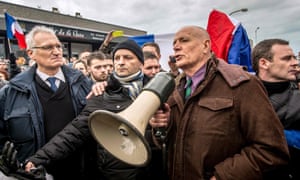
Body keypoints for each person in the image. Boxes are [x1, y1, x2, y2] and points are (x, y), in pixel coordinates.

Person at [149, 26, 290, 180]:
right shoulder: (173, 89)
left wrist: (222, 176)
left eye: (184, 40)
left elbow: (271, 150)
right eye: (174, 43)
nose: (176, 46)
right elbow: (166, 144)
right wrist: (162, 127)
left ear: (205, 46)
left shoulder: (242, 83)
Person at [24, 39, 155, 180]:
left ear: (141, 62)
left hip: (150, 169)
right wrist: (38, 159)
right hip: (113, 173)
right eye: (117, 58)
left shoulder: (157, 91)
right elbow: (74, 132)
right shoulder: (101, 94)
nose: (121, 62)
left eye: (128, 57)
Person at [0, 25, 93, 179]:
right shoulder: (10, 93)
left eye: (58, 46)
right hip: (35, 173)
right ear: (31, 53)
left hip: (81, 170)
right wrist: (9, 163)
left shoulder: (83, 83)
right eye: (48, 47)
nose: (57, 52)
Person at [252, 38, 300, 179]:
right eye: (287, 58)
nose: (295, 63)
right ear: (264, 63)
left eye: (294, 58)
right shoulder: (241, 96)